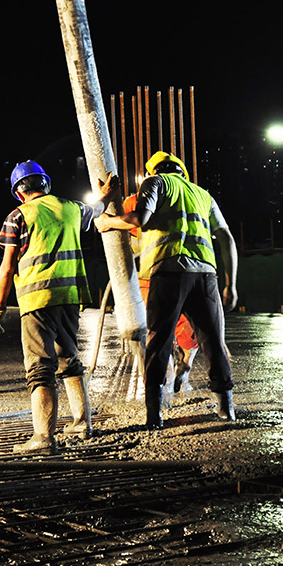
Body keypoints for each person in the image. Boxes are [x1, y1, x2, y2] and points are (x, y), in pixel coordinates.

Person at [95, 151, 238, 430]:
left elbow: (140, 219)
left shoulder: (156, 183)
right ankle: (226, 409)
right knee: (214, 342)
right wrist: (231, 284)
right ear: (182, 171)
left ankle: (154, 415)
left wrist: (107, 222)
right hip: (206, 274)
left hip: (169, 271)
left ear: (153, 171)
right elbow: (226, 237)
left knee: (158, 342)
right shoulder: (202, 194)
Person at [0, 161, 117, 455]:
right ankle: (81, 422)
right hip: (70, 297)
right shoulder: (71, 208)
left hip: (37, 301)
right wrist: (108, 194)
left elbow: (7, 266)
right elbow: (97, 210)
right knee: (69, 359)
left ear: (19, 193)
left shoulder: (17, 216)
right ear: (45, 184)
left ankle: (43, 437)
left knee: (40, 368)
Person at [123, 192, 200, 395]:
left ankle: (160, 386)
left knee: (157, 333)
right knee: (189, 332)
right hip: (182, 273)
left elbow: (126, 227)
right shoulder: (184, 199)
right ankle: (185, 365)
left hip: (147, 280)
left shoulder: (133, 203)